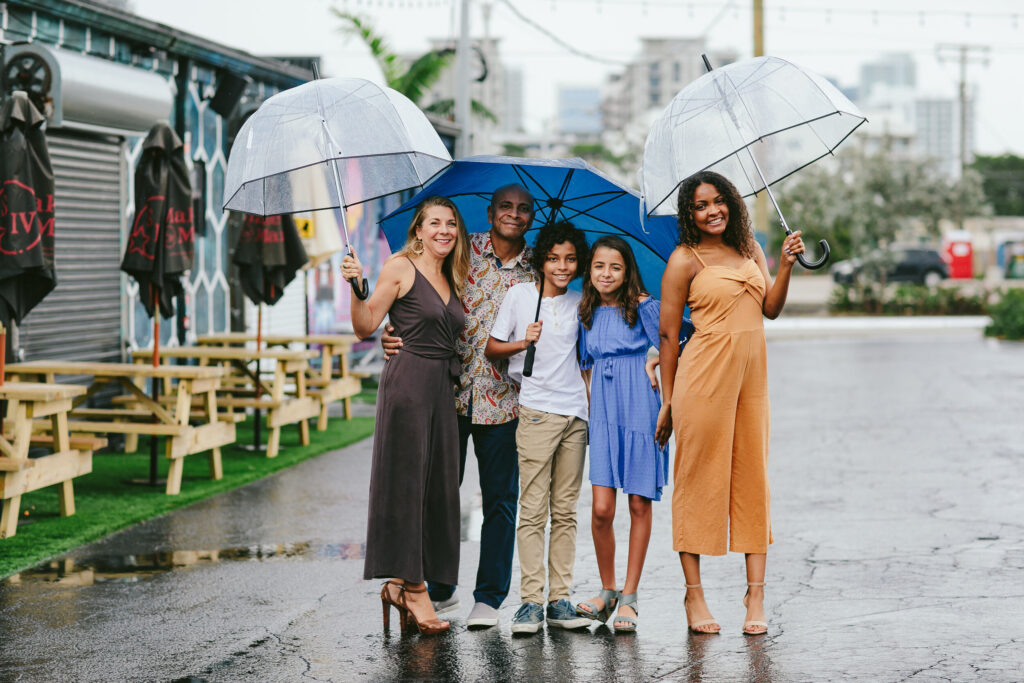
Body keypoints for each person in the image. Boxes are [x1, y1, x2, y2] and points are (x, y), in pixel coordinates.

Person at [655, 171, 805, 636]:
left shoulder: (750, 250)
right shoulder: (684, 260)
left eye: (719, 201)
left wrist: (784, 265)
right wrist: (667, 401)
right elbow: (667, 336)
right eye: (700, 205)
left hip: (751, 383)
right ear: (690, 214)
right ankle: (694, 595)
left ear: (733, 204)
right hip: (702, 381)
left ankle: (754, 593)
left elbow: (771, 309)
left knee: (752, 479)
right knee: (697, 479)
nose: (712, 211)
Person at [382, 184, 537, 629]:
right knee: (436, 495)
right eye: (505, 206)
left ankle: (488, 597)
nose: (513, 214)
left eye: (523, 209)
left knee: (501, 501)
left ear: (531, 217)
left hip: (503, 402)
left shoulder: (537, 273)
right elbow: (415, 301)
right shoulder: (459, 254)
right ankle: (436, 585)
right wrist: (390, 334)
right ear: (490, 212)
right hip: (445, 392)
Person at [343, 196, 469, 635]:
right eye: (435, 223)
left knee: (436, 491)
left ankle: (400, 585)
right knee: (407, 486)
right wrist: (357, 286)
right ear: (418, 229)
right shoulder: (400, 267)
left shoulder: (452, 272)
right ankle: (414, 589)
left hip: (441, 390)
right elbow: (366, 325)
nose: (444, 231)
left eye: (451, 224)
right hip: (410, 387)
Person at [485, 221, 591, 635]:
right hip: (535, 413)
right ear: (541, 260)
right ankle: (531, 602)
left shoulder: (583, 302)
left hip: (575, 416)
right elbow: (492, 348)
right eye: (553, 258)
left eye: (569, 259)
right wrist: (521, 342)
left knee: (565, 512)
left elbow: (588, 360)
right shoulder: (520, 296)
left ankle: (559, 600)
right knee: (532, 511)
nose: (561, 266)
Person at [573, 236, 669, 633]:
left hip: (640, 405)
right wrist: (590, 397)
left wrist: (655, 360)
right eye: (598, 266)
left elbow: (680, 337)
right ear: (589, 270)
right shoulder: (586, 310)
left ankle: (629, 596)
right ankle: (608, 590)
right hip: (604, 410)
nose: (606, 274)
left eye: (615, 267)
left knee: (639, 505)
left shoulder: (644, 305)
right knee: (601, 510)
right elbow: (583, 361)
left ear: (627, 270)